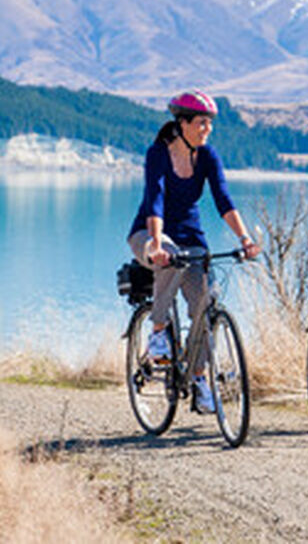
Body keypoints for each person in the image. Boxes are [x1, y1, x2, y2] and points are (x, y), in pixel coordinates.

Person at [126, 89, 261, 413]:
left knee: (206, 301)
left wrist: (244, 238)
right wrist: (157, 243)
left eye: (209, 123)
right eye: (202, 123)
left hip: (191, 235)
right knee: (169, 258)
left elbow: (223, 200)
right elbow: (155, 198)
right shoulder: (158, 153)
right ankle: (158, 332)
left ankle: (199, 377)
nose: (207, 129)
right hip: (148, 231)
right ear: (182, 123)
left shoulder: (208, 156)